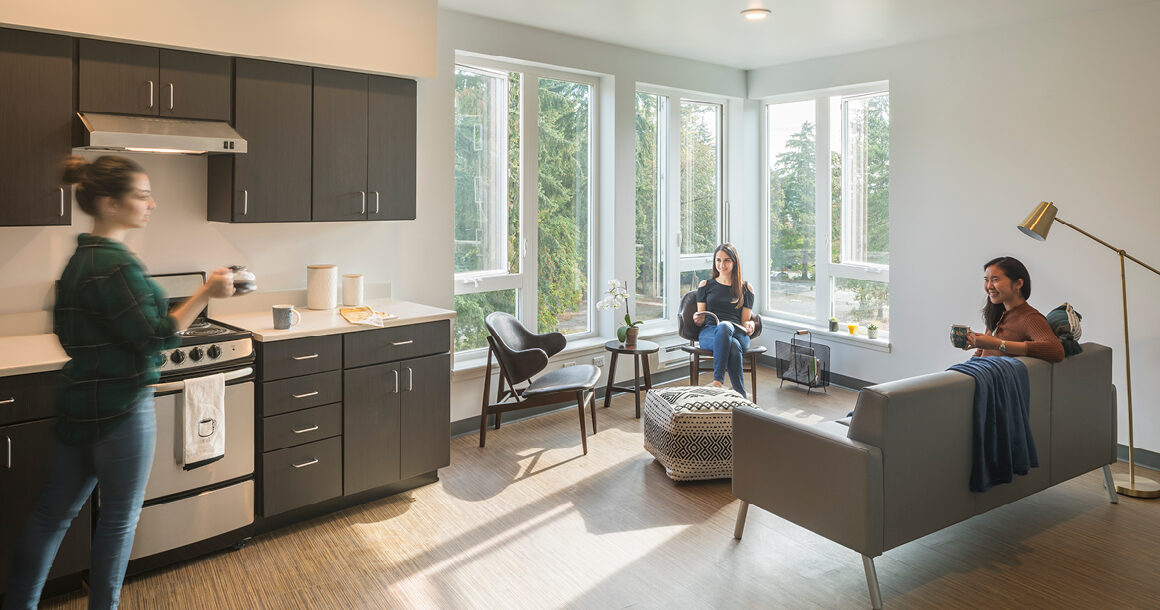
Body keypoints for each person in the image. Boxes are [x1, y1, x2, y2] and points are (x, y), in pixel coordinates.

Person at [3, 156, 234, 610]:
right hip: (123, 407)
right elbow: (157, 336)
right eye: (142, 194)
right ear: (110, 203)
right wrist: (206, 292)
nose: (152, 203)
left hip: (78, 403)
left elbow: (68, 333)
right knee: (118, 521)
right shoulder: (119, 266)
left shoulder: (79, 259)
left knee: (51, 516)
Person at [960, 256, 1064, 363]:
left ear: (1018, 284)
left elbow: (1056, 351)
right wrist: (978, 343)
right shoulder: (996, 314)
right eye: (987, 280)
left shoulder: (1029, 318)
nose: (989, 286)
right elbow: (982, 354)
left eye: (995, 280)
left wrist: (998, 344)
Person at [693, 243, 756, 397]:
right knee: (731, 344)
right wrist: (697, 318)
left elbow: (744, 322)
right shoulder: (705, 285)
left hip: (737, 332)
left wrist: (751, 324)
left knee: (726, 327)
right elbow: (701, 320)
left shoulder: (746, 288)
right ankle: (741, 397)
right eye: (718, 260)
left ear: (734, 262)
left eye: (727, 260)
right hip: (710, 332)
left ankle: (717, 381)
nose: (722, 265)